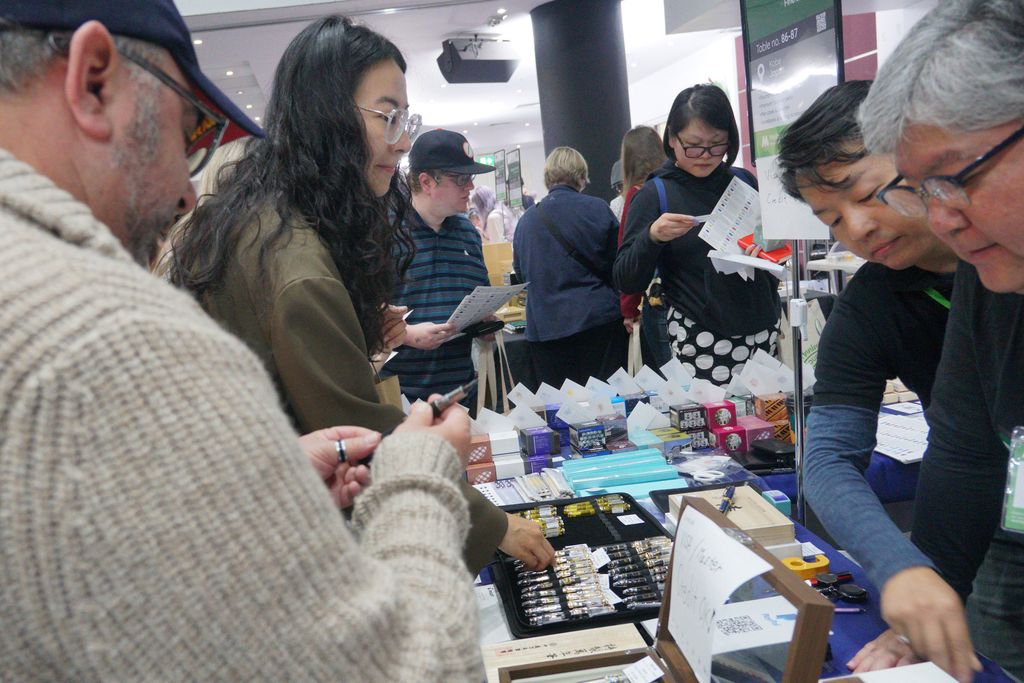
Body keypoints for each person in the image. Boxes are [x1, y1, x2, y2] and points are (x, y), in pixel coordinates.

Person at [0, 4, 484, 681]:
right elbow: (413, 669)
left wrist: (260, 474)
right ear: (93, 82)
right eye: (190, 127)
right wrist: (422, 476)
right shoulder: (107, 343)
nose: (181, 190)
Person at [169, 17, 553, 573]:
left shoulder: (265, 216)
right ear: (326, 117)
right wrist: (494, 526)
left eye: (405, 118)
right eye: (387, 116)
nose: (401, 141)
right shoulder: (298, 264)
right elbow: (357, 436)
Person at [859, 0, 1024, 680]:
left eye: (957, 176)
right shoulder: (993, 268)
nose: (943, 217)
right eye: (922, 188)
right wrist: (936, 587)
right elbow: (964, 440)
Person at [776, 80, 960, 673]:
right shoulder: (871, 302)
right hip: (987, 517)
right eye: (830, 218)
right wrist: (902, 566)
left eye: (869, 194)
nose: (854, 229)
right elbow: (827, 457)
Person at [614, 84, 781, 386]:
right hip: (701, 338)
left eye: (717, 145)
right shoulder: (655, 193)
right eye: (694, 145)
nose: (705, 155)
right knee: (711, 427)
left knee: (766, 427)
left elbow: (772, 245)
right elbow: (626, 279)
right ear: (672, 140)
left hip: (762, 329)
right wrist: (652, 236)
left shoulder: (742, 180)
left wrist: (768, 248)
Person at [383, 129, 494, 405]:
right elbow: (361, 316)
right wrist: (407, 335)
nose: (469, 187)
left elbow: (479, 297)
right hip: (401, 396)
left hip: (461, 394)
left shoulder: (468, 233)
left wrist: (485, 323)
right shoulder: (384, 233)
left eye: (471, 178)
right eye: (460, 179)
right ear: (426, 182)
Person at [513, 146, 627, 387]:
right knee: (607, 406)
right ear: (582, 175)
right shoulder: (597, 208)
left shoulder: (526, 221)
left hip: (545, 329)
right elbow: (619, 266)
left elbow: (521, 274)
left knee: (560, 409)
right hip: (598, 322)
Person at [617, 125, 673, 369]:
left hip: (657, 300)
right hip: (689, 304)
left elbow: (630, 255)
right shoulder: (672, 186)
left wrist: (628, 308)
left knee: (672, 382)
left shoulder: (639, 194)